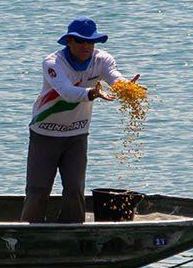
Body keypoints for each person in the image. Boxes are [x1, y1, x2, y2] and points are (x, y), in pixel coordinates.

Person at [23, 18, 140, 223]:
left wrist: (124, 87)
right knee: (38, 190)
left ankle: (73, 233)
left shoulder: (102, 60)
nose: (86, 46)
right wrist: (92, 93)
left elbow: (113, 76)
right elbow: (67, 92)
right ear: (69, 41)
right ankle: (25, 238)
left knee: (75, 189)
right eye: (80, 41)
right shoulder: (53, 63)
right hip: (45, 133)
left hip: (76, 135)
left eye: (90, 42)